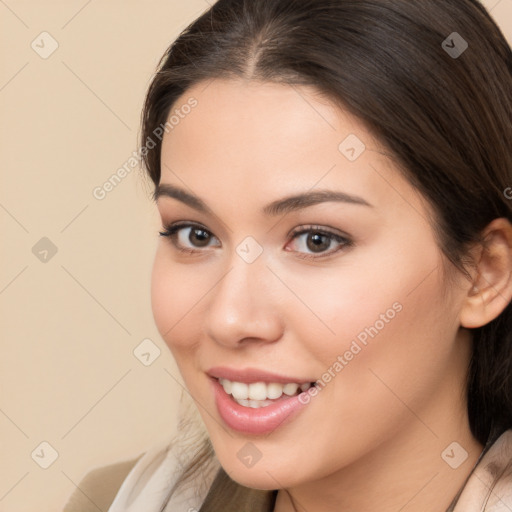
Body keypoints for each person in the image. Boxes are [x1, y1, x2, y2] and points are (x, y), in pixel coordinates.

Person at [65, 0, 512, 510]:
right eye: (194, 234)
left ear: (483, 273)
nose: (230, 318)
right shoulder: (113, 501)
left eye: (316, 240)